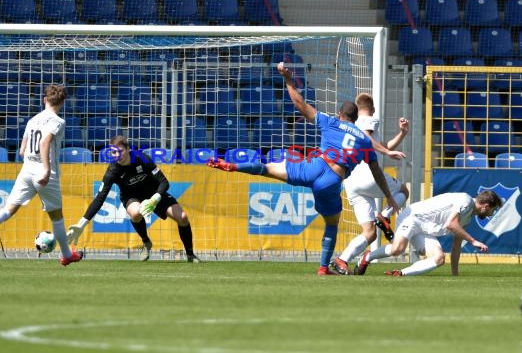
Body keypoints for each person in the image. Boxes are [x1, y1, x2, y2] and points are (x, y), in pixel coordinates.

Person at [207, 62, 399, 276]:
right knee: (332, 223)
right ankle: (323, 268)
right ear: (355, 119)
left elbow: (299, 103)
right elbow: (376, 171)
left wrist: (288, 79)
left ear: (339, 114)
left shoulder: (330, 122)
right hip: (332, 180)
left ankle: (233, 165)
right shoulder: (364, 139)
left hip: (313, 167)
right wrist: (389, 196)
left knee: (267, 168)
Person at [0, 85, 83, 266]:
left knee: (8, 210)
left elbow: (21, 150)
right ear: (63, 102)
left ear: (45, 100)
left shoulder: (32, 120)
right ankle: (67, 255)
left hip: (27, 169)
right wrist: (45, 168)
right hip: (45, 172)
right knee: (57, 218)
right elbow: (44, 143)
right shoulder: (58, 121)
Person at [66, 135, 201, 263]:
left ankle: (190, 254)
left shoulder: (142, 158)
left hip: (154, 194)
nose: (117, 155)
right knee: (136, 213)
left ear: (128, 149)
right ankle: (146, 242)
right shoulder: (113, 171)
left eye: (120, 151)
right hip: (131, 197)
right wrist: (81, 224)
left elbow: (164, 182)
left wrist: (155, 198)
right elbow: (99, 199)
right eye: (113, 152)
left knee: (182, 217)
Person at [334, 93, 409, 275]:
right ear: (372, 109)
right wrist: (387, 153)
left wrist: (402, 133)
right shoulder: (368, 119)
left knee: (370, 233)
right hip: (369, 176)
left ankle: (341, 260)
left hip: (351, 182)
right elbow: (369, 139)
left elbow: (384, 144)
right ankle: (384, 215)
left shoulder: (347, 126)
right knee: (404, 191)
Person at [355, 190, 502, 276]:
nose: (491, 213)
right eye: (493, 210)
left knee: (439, 258)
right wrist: (473, 241)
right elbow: (451, 224)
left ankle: (400, 274)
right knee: (397, 249)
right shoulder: (466, 201)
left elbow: (456, 246)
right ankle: (368, 256)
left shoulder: (468, 216)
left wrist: (455, 275)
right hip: (413, 217)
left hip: (425, 230)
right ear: (486, 206)